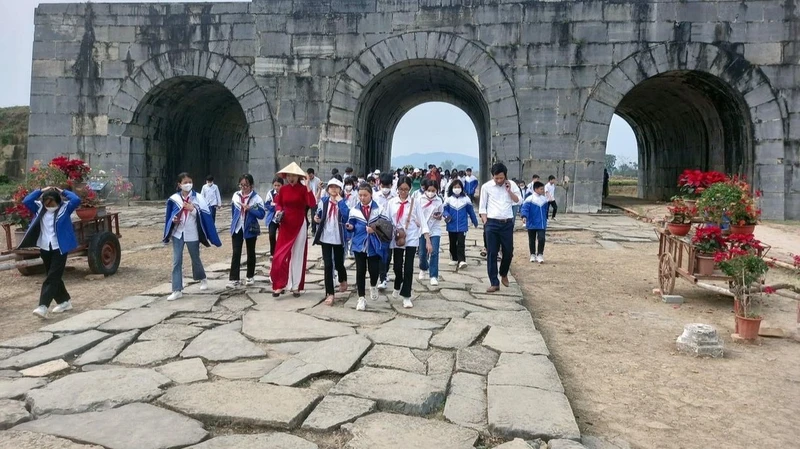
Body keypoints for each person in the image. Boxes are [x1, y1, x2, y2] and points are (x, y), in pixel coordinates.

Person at [20, 187, 81, 318]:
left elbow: (76, 199)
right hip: (45, 247)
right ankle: (65, 301)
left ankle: (43, 306)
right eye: (47, 204)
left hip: (60, 248)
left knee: (52, 277)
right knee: (53, 275)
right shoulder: (39, 208)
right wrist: (41, 190)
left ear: (59, 202)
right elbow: (26, 200)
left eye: (52, 204)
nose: (50, 206)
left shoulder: (65, 208)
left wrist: (63, 191)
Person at [163, 172, 222, 301]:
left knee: (195, 258)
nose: (188, 184)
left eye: (190, 182)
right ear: (179, 185)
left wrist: (193, 209)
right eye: (185, 182)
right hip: (178, 233)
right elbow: (169, 216)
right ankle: (177, 289)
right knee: (176, 261)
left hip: (192, 232)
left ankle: (203, 278)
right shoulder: (174, 199)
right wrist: (173, 220)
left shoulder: (198, 198)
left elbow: (205, 216)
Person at [270, 162, 318, 297]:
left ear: (298, 177)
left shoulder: (303, 189)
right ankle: (280, 285)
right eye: (289, 175)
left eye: (294, 176)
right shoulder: (283, 189)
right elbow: (278, 204)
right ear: (286, 176)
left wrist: (308, 186)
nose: (291, 178)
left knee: (297, 254)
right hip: (285, 224)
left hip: (299, 223)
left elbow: (312, 203)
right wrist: (279, 211)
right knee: (280, 255)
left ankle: (295, 286)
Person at [386, 177, 433, 308]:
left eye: (406, 189)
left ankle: (406, 295)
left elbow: (422, 220)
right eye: (401, 189)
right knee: (397, 265)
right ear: (397, 189)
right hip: (397, 237)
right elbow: (387, 220)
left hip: (411, 236)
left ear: (410, 189)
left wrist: (428, 239)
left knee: (408, 266)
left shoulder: (415, 202)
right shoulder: (392, 203)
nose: (403, 192)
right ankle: (397, 282)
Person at [478, 163, 521, 293]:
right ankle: (494, 282)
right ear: (493, 176)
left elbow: (518, 201)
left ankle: (503, 272)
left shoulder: (512, 185)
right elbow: (482, 206)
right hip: (492, 223)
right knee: (492, 253)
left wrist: (509, 191)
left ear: (505, 175)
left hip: (507, 223)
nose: (499, 180)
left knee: (508, 251)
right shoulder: (486, 187)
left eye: (501, 178)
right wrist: (486, 223)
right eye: (496, 178)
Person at [347, 182, 389, 311]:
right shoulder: (354, 210)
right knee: (360, 271)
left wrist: (375, 229)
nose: (362, 198)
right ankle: (361, 298)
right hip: (359, 244)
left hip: (374, 244)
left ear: (371, 195)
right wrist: (350, 227)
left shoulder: (379, 209)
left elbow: (386, 224)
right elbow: (351, 224)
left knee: (373, 270)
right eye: (360, 195)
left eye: (365, 195)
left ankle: (373, 285)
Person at [313, 178, 350, 305]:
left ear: (340, 189)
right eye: (331, 187)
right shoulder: (324, 201)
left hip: (338, 237)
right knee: (328, 264)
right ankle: (330, 293)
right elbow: (318, 214)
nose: (333, 189)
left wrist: (340, 202)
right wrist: (316, 218)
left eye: (336, 187)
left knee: (339, 263)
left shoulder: (343, 202)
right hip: (326, 237)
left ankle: (343, 278)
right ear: (328, 189)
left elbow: (347, 216)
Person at [228, 174, 266, 288]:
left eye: (246, 185)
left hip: (250, 228)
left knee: (251, 252)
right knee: (236, 252)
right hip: (238, 227)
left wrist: (250, 209)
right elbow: (233, 210)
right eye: (242, 185)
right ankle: (234, 278)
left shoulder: (256, 198)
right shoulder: (236, 196)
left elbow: (261, 214)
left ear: (251, 186)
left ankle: (250, 276)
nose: (244, 187)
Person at [443, 179, 479, 269]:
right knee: (452, 242)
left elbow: (471, 211)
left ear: (462, 188)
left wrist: (475, 221)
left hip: (462, 226)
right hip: (451, 225)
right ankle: (454, 258)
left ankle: (461, 260)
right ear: (452, 188)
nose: (457, 189)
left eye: (458, 187)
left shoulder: (466, 199)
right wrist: (447, 215)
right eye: (455, 187)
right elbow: (444, 210)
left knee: (461, 243)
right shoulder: (448, 199)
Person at [417, 179, 444, 286]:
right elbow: (415, 214)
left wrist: (439, 216)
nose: (431, 192)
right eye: (429, 190)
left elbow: (441, 213)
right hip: (422, 229)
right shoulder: (419, 199)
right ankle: (423, 268)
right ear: (425, 189)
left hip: (434, 229)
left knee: (434, 252)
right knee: (422, 253)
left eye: (433, 190)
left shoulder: (439, 201)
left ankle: (433, 276)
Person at [373, 173, 395, 289]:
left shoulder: (395, 197)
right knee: (381, 253)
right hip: (379, 228)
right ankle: (382, 278)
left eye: (387, 185)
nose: (385, 188)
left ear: (391, 185)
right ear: (379, 184)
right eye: (383, 185)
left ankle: (385, 272)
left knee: (388, 255)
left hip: (391, 228)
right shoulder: (375, 196)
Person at [520, 181, 549, 264]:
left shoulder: (544, 199)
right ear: (536, 189)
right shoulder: (529, 199)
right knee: (531, 239)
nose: (542, 190)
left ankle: (540, 254)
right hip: (532, 223)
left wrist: (546, 218)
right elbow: (524, 209)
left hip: (541, 223)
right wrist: (524, 217)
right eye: (541, 189)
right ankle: (532, 254)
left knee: (542, 238)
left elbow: (545, 210)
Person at [264, 177, 284, 258]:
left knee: (282, 236)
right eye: (275, 185)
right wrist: (275, 206)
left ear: (282, 185)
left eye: (278, 185)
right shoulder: (270, 193)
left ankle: (281, 251)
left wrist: (274, 205)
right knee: (271, 235)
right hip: (272, 218)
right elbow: (267, 205)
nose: (276, 187)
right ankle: (273, 252)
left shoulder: (285, 193)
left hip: (282, 218)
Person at [306, 168, 321, 235]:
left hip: (314, 200)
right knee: (303, 214)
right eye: (309, 175)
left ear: (313, 174)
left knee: (313, 216)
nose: (310, 177)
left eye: (311, 175)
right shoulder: (305, 180)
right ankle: (306, 225)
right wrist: (307, 182)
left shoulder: (317, 180)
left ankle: (313, 230)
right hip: (306, 200)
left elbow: (319, 189)